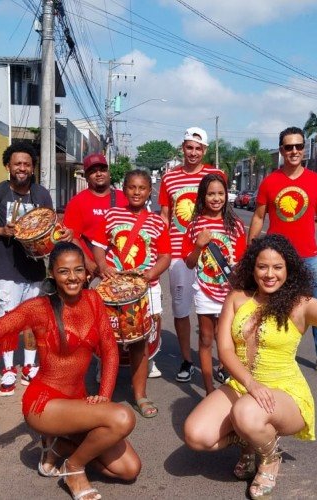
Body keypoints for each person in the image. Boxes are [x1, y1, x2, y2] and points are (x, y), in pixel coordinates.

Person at [183, 227, 317, 499]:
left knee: (247, 412)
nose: (269, 274)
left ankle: (270, 458)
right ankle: (251, 441)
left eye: (277, 267)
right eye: (262, 267)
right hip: (242, 384)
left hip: (285, 394)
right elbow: (224, 349)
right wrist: (250, 383)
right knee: (196, 435)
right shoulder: (237, 298)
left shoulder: (300, 305)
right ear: (252, 267)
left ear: (289, 269)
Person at [0, 241, 141, 500]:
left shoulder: (93, 300)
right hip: (44, 404)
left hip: (78, 403)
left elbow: (110, 350)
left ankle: (61, 446)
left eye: (78, 270)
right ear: (52, 274)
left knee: (129, 469)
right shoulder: (39, 308)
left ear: (86, 272)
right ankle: (74, 467)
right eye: (64, 271)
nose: (72, 278)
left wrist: (103, 395)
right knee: (123, 418)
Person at [248, 126, 317, 379]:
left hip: (310, 257)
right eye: (289, 147)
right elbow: (258, 217)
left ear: (304, 149)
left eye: (298, 146)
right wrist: (251, 250)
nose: (294, 151)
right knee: (269, 306)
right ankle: (262, 354)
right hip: (277, 259)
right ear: (281, 150)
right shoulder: (270, 182)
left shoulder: (314, 181)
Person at [0, 143, 67, 396]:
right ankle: (7, 370)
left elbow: (51, 225)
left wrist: (62, 234)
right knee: (8, 320)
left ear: (33, 167)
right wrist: (1, 231)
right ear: (8, 166)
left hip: (36, 269)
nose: (22, 168)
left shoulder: (41, 194)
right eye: (17, 164)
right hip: (6, 267)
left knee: (33, 320)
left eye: (27, 164)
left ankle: (29, 365)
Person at [91, 170, 172, 418]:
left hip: (146, 290)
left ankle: (140, 395)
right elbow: (98, 246)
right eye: (132, 187)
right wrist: (103, 267)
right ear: (124, 190)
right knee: (108, 339)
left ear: (150, 191)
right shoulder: (112, 215)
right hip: (114, 288)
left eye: (142, 188)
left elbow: (165, 256)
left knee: (139, 341)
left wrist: (149, 275)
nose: (137, 192)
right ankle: (106, 393)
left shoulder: (158, 222)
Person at [158, 127, 226, 383]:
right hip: (179, 253)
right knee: (181, 308)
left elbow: (223, 208)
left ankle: (222, 362)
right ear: (182, 148)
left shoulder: (216, 175)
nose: (193, 152)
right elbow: (165, 217)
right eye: (189, 147)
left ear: (205, 150)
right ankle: (187, 360)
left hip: (212, 253)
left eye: (198, 148)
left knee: (216, 310)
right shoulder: (169, 178)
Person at [182, 173, 246, 394]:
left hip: (230, 291)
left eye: (220, 193)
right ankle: (209, 390)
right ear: (203, 196)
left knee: (228, 338)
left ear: (226, 195)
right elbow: (190, 263)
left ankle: (231, 385)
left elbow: (243, 261)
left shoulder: (236, 225)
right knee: (206, 338)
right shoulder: (195, 225)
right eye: (211, 194)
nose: (216, 198)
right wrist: (199, 246)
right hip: (205, 290)